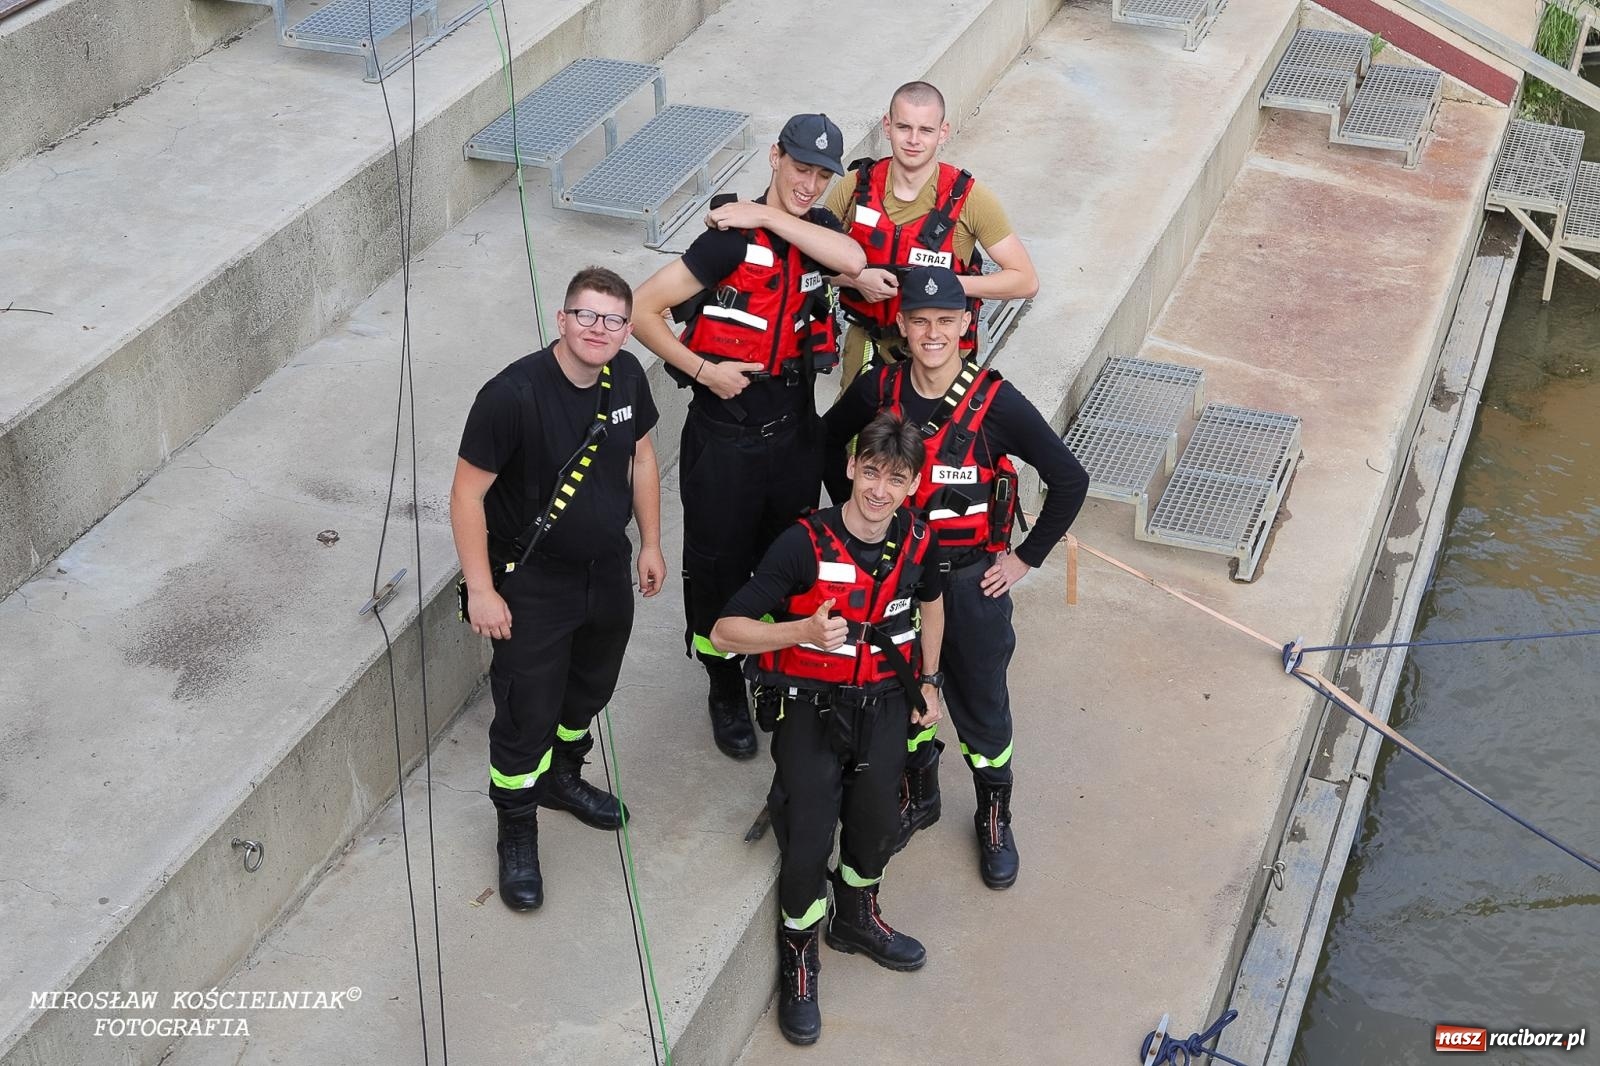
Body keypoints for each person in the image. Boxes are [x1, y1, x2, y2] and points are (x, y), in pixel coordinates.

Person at [823, 265, 1088, 891]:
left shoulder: (997, 403)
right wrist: (856, 518)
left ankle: (994, 808)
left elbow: (1070, 479)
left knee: (982, 702)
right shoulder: (877, 389)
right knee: (896, 691)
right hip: (892, 583)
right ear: (902, 326)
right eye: (920, 322)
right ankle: (921, 789)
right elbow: (824, 441)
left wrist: (1025, 558)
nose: (932, 333)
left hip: (970, 585)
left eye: (945, 321)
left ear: (967, 326)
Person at [632, 113, 867, 761]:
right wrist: (703, 368)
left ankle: (769, 668)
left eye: (822, 175)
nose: (809, 183)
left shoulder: (816, 230)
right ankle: (722, 685)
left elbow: (852, 260)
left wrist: (768, 217)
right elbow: (642, 310)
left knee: (785, 562)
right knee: (716, 568)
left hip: (793, 438)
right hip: (724, 441)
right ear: (774, 157)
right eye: (799, 168)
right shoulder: (726, 241)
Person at [710, 411, 944, 1046]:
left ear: (913, 485)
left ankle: (857, 919)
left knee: (875, 825)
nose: (878, 490)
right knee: (809, 839)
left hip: (888, 706)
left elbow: (930, 600)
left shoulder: (920, 540)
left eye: (895, 479)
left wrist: (929, 680)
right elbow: (725, 631)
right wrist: (802, 631)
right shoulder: (802, 544)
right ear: (849, 468)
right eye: (869, 472)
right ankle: (799, 957)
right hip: (812, 709)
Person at [449, 266, 666, 911]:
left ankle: (563, 778)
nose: (600, 329)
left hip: (606, 571)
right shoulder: (510, 395)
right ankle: (517, 827)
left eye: (614, 320)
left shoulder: (626, 376)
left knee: (590, 687)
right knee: (525, 713)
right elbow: (466, 495)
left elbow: (642, 458)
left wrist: (651, 541)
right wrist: (482, 590)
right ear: (563, 319)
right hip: (532, 582)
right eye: (588, 316)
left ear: (628, 331)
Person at [823, 80, 1038, 389]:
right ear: (887, 126)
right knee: (853, 435)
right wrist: (855, 278)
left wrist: (945, 287)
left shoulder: (971, 198)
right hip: (868, 342)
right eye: (903, 127)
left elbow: (1025, 280)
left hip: (937, 352)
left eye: (925, 130)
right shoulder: (855, 186)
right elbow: (808, 263)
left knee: (931, 437)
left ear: (943, 132)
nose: (913, 140)